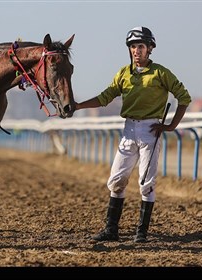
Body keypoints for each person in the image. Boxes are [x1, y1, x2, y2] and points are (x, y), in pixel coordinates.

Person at [74, 26, 192, 242]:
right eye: (132, 47)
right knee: (116, 180)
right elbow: (105, 97)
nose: (136, 50)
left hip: (150, 131)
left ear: (149, 49)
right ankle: (111, 230)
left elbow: (184, 97)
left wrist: (171, 126)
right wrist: (78, 106)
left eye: (140, 46)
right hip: (128, 130)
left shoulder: (161, 73)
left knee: (146, 182)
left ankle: (142, 232)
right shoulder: (123, 73)